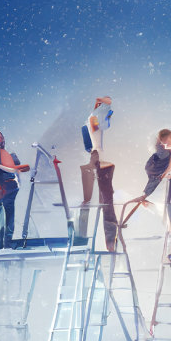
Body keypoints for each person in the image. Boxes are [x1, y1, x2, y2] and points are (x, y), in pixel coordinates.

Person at [78, 97, 118, 250]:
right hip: (97, 159)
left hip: (95, 157)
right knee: (106, 201)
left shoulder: (91, 119)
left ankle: (90, 235)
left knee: (98, 199)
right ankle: (109, 240)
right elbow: (100, 127)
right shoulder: (94, 118)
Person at [137, 128, 171, 237]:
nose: (163, 144)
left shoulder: (170, 151)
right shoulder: (162, 154)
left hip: (161, 178)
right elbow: (162, 170)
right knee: (163, 207)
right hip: (158, 175)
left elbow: (169, 167)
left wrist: (166, 173)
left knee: (166, 208)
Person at [0, 129, 30, 251]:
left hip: (10, 188)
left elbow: (16, 165)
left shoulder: (6, 153)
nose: (2, 138)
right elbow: (0, 168)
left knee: (9, 215)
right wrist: (14, 167)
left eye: (2, 136)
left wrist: (14, 164)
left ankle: (8, 242)